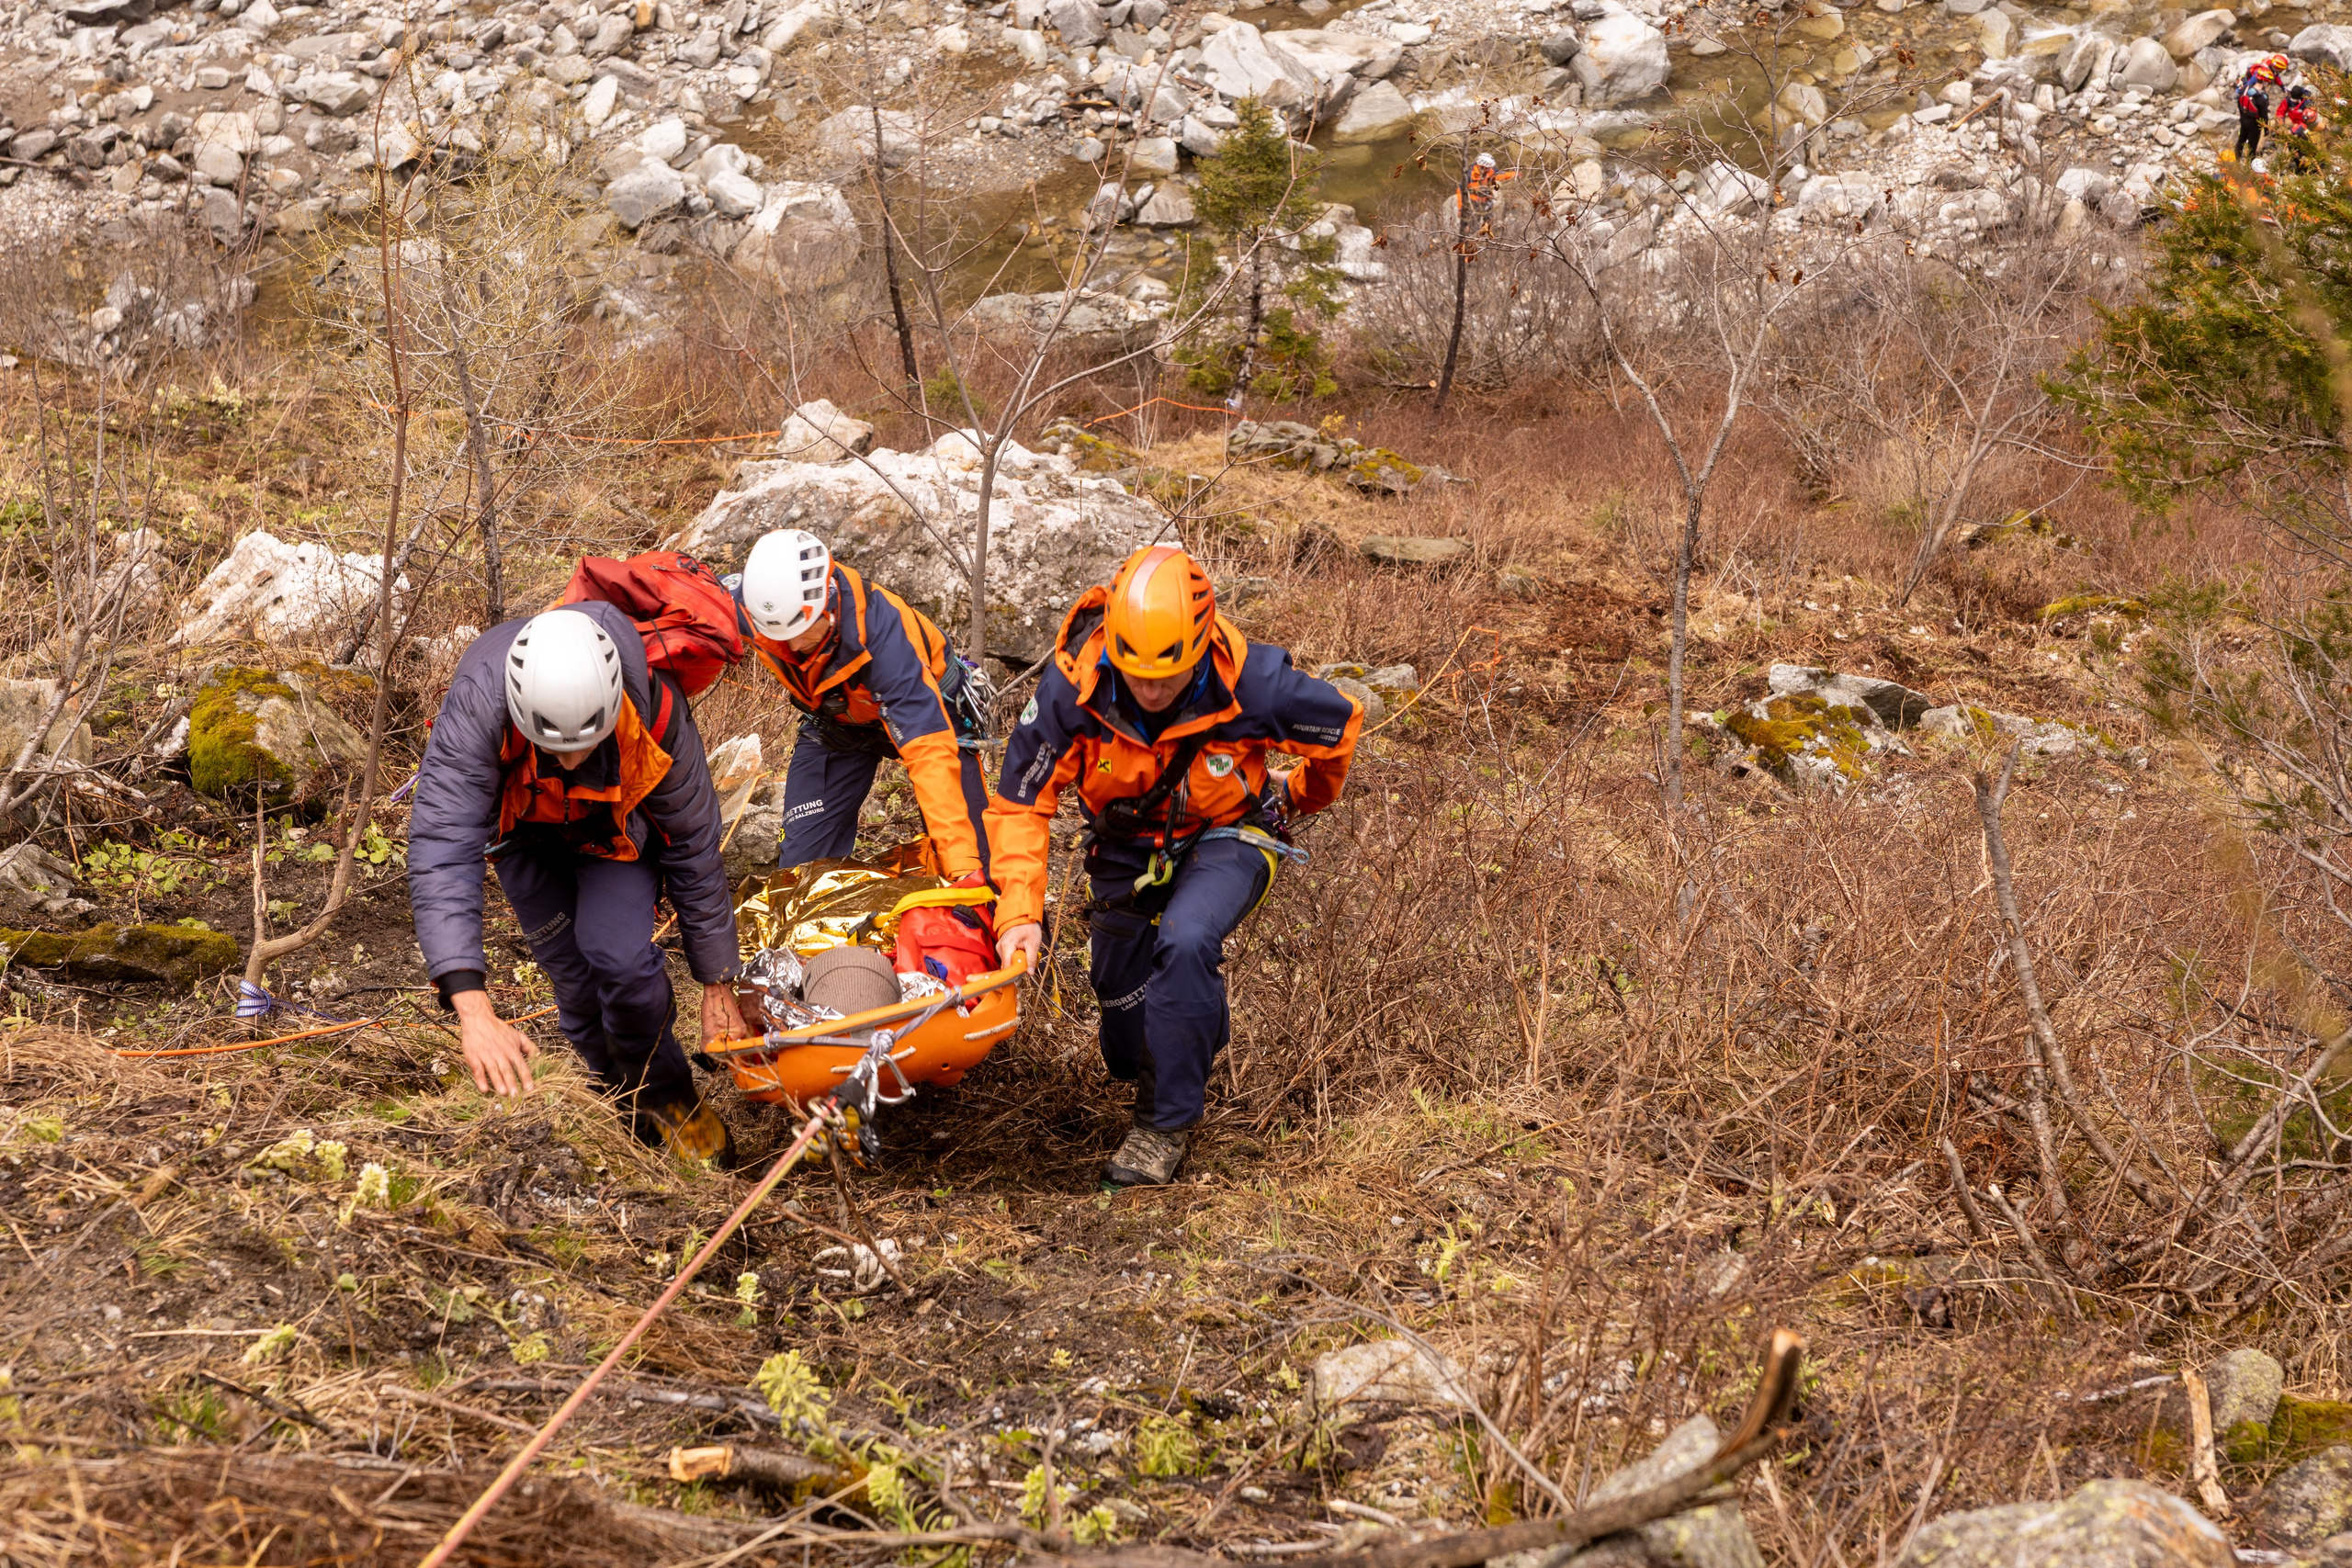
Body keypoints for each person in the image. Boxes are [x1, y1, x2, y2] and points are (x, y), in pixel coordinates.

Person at [987, 546, 1363, 1188]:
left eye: (1168, 676)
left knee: (1186, 939)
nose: (1152, 691)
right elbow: (1023, 802)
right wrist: (1020, 912)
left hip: (1231, 831)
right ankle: (1190, 1026)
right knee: (1127, 1045)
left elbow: (1341, 725)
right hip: (1126, 848)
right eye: (1137, 675)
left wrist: (1300, 796)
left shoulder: (1256, 684)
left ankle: (1163, 1129)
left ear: (1200, 646)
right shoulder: (1069, 690)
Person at [409, 604, 745, 1167]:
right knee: (574, 977)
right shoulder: (477, 706)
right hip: (523, 834)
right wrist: (472, 1009)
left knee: (619, 960)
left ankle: (670, 1102)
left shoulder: (653, 708)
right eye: (555, 748)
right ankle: (622, 1104)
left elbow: (692, 845)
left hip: (616, 832)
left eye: (583, 747)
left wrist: (716, 981)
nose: (569, 762)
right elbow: (443, 848)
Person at [735, 528, 993, 881]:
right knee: (801, 873)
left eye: (804, 632)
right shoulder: (748, 605)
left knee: (976, 864)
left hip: (933, 713)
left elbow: (929, 751)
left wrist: (964, 868)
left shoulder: (884, 638)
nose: (794, 647)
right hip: (837, 721)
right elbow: (674, 596)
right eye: (781, 638)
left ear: (828, 600)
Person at [2237, 54, 2290, 169]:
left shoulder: (2244, 90)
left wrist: (2242, 115)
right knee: (2252, 144)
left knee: (2241, 139)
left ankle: (2236, 160)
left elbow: (2240, 102)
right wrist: (2265, 129)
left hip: (2244, 118)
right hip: (2254, 123)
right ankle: (2250, 166)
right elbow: (2264, 115)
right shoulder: (2261, 98)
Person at [2278, 84, 2319, 170]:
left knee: (2305, 139)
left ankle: (2310, 160)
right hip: (2293, 121)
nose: (2293, 101)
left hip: (2305, 125)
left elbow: (2305, 123)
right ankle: (2294, 161)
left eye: (2295, 99)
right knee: (2290, 142)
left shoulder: (2308, 103)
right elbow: (2280, 111)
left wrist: (2292, 131)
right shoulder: (2289, 100)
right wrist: (2281, 123)